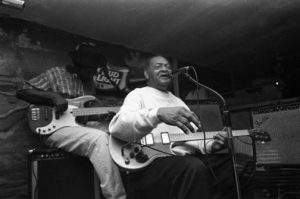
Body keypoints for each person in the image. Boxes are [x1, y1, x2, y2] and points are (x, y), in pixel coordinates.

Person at [109, 55, 236, 199]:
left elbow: (191, 139)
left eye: (168, 66)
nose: (164, 68)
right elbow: (118, 127)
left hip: (184, 159)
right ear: (146, 74)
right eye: (158, 66)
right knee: (193, 167)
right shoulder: (138, 95)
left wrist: (212, 145)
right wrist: (158, 114)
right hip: (150, 164)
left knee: (237, 164)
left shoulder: (178, 102)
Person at [16, 42, 126, 199]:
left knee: (113, 131)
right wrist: (53, 96)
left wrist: (100, 115)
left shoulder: (89, 84)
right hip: (54, 129)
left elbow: (80, 114)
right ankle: (117, 196)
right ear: (77, 65)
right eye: (88, 69)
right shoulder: (55, 74)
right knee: (98, 139)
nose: (91, 74)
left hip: (77, 127)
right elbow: (22, 92)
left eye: (94, 70)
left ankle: (128, 176)